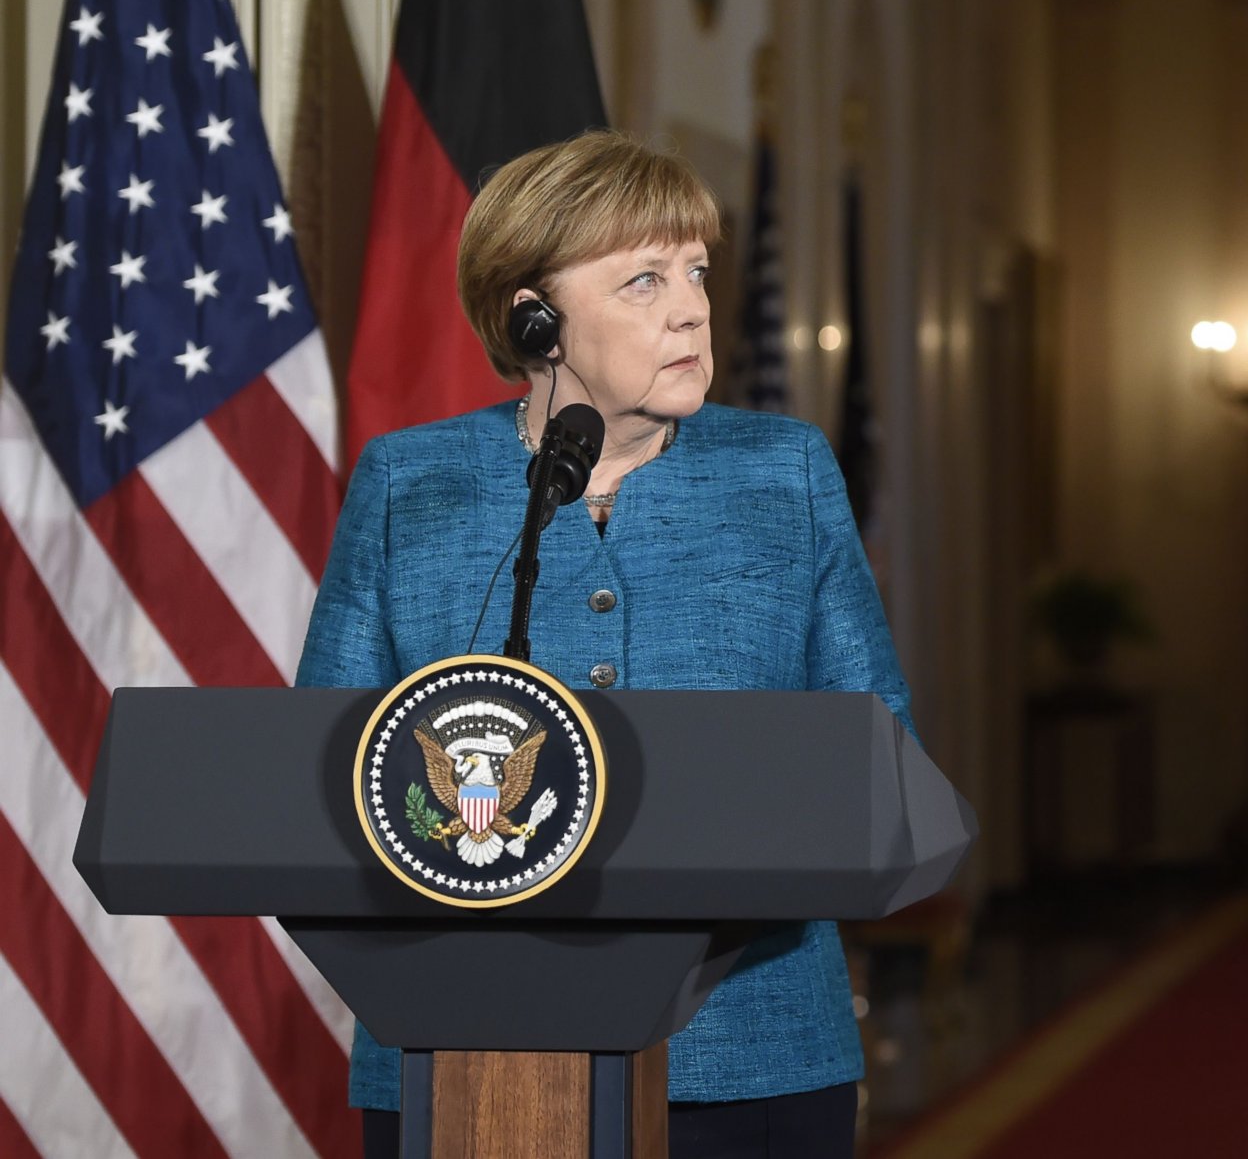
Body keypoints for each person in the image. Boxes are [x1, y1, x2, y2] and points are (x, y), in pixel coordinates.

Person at [298, 129, 911, 1159]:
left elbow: (874, 748)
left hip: (752, 1054)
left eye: (697, 272)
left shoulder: (786, 473)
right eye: (642, 280)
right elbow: (326, 764)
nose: (691, 307)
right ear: (533, 320)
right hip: (457, 1059)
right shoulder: (411, 483)